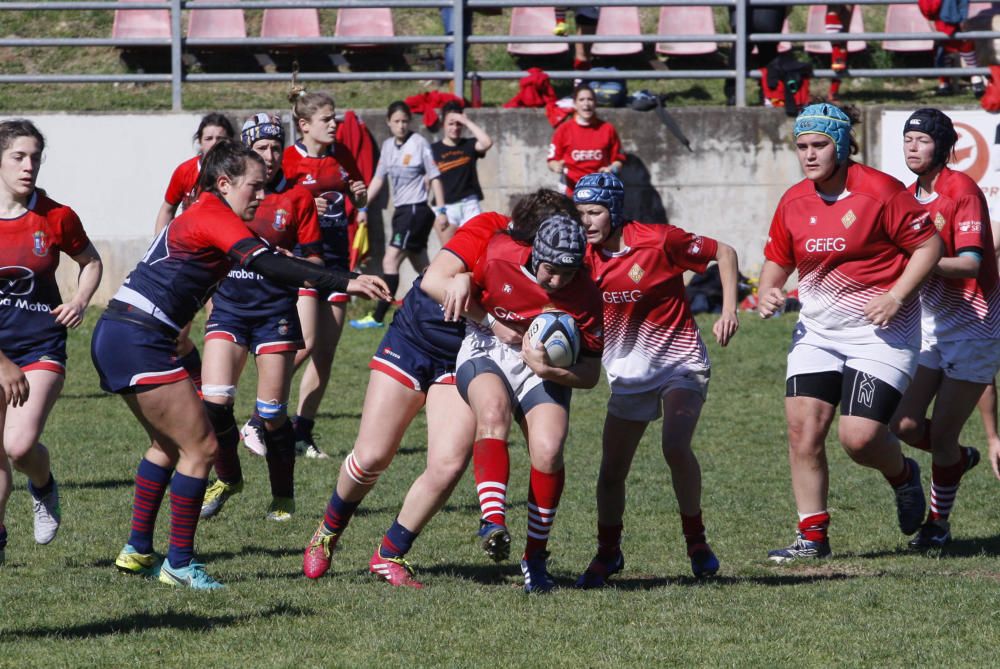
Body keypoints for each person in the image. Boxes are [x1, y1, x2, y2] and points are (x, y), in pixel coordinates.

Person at [94, 140, 388, 590]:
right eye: (254, 186)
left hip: (124, 332)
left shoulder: (211, 212)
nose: (260, 195)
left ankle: (137, 550)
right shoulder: (212, 213)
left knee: (168, 445)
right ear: (224, 182)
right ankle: (180, 563)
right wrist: (348, 279)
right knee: (203, 449)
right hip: (139, 336)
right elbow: (270, 264)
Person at [302, 189, 576, 588]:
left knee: (448, 464)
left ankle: (389, 554)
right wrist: (474, 297)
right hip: (415, 339)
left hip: (465, 357)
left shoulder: (552, 269)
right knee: (372, 455)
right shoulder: (489, 229)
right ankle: (327, 532)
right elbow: (433, 280)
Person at [757, 103, 943, 562]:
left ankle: (903, 476)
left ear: (840, 145)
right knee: (803, 432)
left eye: (819, 145)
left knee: (858, 438)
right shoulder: (794, 200)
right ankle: (812, 538)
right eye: (801, 147)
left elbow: (930, 245)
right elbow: (778, 259)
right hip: (818, 333)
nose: (809, 155)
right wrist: (768, 290)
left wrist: (896, 296)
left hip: (882, 332)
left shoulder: (880, 191)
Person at [570, 173, 739, 586]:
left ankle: (697, 543)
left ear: (615, 210)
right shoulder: (580, 258)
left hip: (680, 362)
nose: (587, 222)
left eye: (595, 212)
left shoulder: (659, 240)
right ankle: (608, 553)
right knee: (611, 471)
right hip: (628, 373)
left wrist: (729, 310)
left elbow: (726, 252)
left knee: (675, 446)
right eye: (580, 214)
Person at [459, 214, 603, 593]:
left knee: (549, 449)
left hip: (543, 369)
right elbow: (457, 290)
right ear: (536, 254)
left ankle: (535, 558)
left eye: (569, 273)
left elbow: (590, 375)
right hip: (487, 349)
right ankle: (493, 521)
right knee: (492, 413)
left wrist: (547, 369)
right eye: (552, 270)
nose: (558, 281)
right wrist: (490, 321)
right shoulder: (499, 255)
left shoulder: (586, 293)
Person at [198, 113, 322, 523]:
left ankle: (282, 496)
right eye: (261, 147)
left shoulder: (297, 198)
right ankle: (229, 478)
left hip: (274, 313)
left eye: (275, 146)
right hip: (230, 308)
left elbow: (316, 259)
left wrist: (292, 261)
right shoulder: (227, 194)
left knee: (270, 415)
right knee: (214, 401)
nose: (270, 155)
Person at [890, 109, 999, 548]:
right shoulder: (906, 195)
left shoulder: (962, 189)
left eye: (922, 140)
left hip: (975, 326)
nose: (912, 148)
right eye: (908, 139)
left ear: (943, 146)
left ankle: (938, 524)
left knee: (944, 436)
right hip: (930, 323)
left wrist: (919, 263)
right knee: (904, 425)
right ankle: (956, 461)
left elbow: (971, 262)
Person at [0, 119, 103, 563]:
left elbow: (92, 261)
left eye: (35, 158)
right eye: (18, 157)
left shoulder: (57, 216)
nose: (29, 166)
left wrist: (80, 300)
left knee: (19, 446)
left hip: (40, 344)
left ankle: (42, 485)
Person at [277, 88, 369, 460]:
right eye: (326, 119)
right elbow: (270, 204)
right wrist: (299, 203)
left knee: (325, 353)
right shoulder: (287, 160)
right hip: (304, 259)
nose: (334, 125)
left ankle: (302, 432)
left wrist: (360, 195)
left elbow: (357, 197)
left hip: (338, 259)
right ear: (304, 125)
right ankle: (261, 414)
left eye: (335, 118)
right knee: (308, 342)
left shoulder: (340, 156)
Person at [153, 113, 235, 391]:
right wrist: (161, 249)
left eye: (220, 139)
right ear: (199, 142)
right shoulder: (186, 171)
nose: (213, 143)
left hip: (222, 262)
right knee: (177, 334)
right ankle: (199, 385)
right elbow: (167, 208)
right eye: (208, 138)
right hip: (190, 263)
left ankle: (215, 393)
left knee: (220, 328)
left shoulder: (235, 175)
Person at [350, 101, 449, 330]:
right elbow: (378, 179)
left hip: (416, 210)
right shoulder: (386, 146)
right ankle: (448, 302)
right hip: (402, 211)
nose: (401, 126)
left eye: (405, 121)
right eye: (396, 121)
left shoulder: (419, 143)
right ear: (388, 123)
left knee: (390, 259)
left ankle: (377, 317)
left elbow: (435, 176)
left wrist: (441, 210)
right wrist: (363, 207)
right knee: (422, 265)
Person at [547, 86, 625, 196]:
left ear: (595, 103)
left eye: (590, 99)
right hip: (571, 191)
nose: (586, 104)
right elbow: (552, 161)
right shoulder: (563, 130)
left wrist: (612, 169)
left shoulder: (607, 129)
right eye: (582, 100)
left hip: (600, 191)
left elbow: (618, 161)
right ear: (574, 104)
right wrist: (556, 166)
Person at [431, 101, 493, 239]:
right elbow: (431, 181)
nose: (455, 128)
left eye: (458, 124)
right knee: (449, 252)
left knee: (479, 247)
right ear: (443, 124)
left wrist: (466, 121)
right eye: (451, 124)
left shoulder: (469, 145)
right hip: (446, 208)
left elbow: (487, 142)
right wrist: (441, 211)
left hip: (469, 204)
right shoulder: (433, 150)